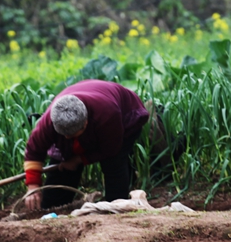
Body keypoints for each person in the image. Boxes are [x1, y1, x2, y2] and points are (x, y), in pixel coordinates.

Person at [23, 79, 149, 210]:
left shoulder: (107, 115)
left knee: (113, 163)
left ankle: (116, 207)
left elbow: (110, 149)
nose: (67, 137)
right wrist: (33, 186)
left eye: (72, 135)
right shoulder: (49, 122)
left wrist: (79, 159)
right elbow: (33, 151)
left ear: (86, 123)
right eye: (64, 134)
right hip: (89, 104)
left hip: (123, 113)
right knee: (63, 165)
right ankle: (53, 208)